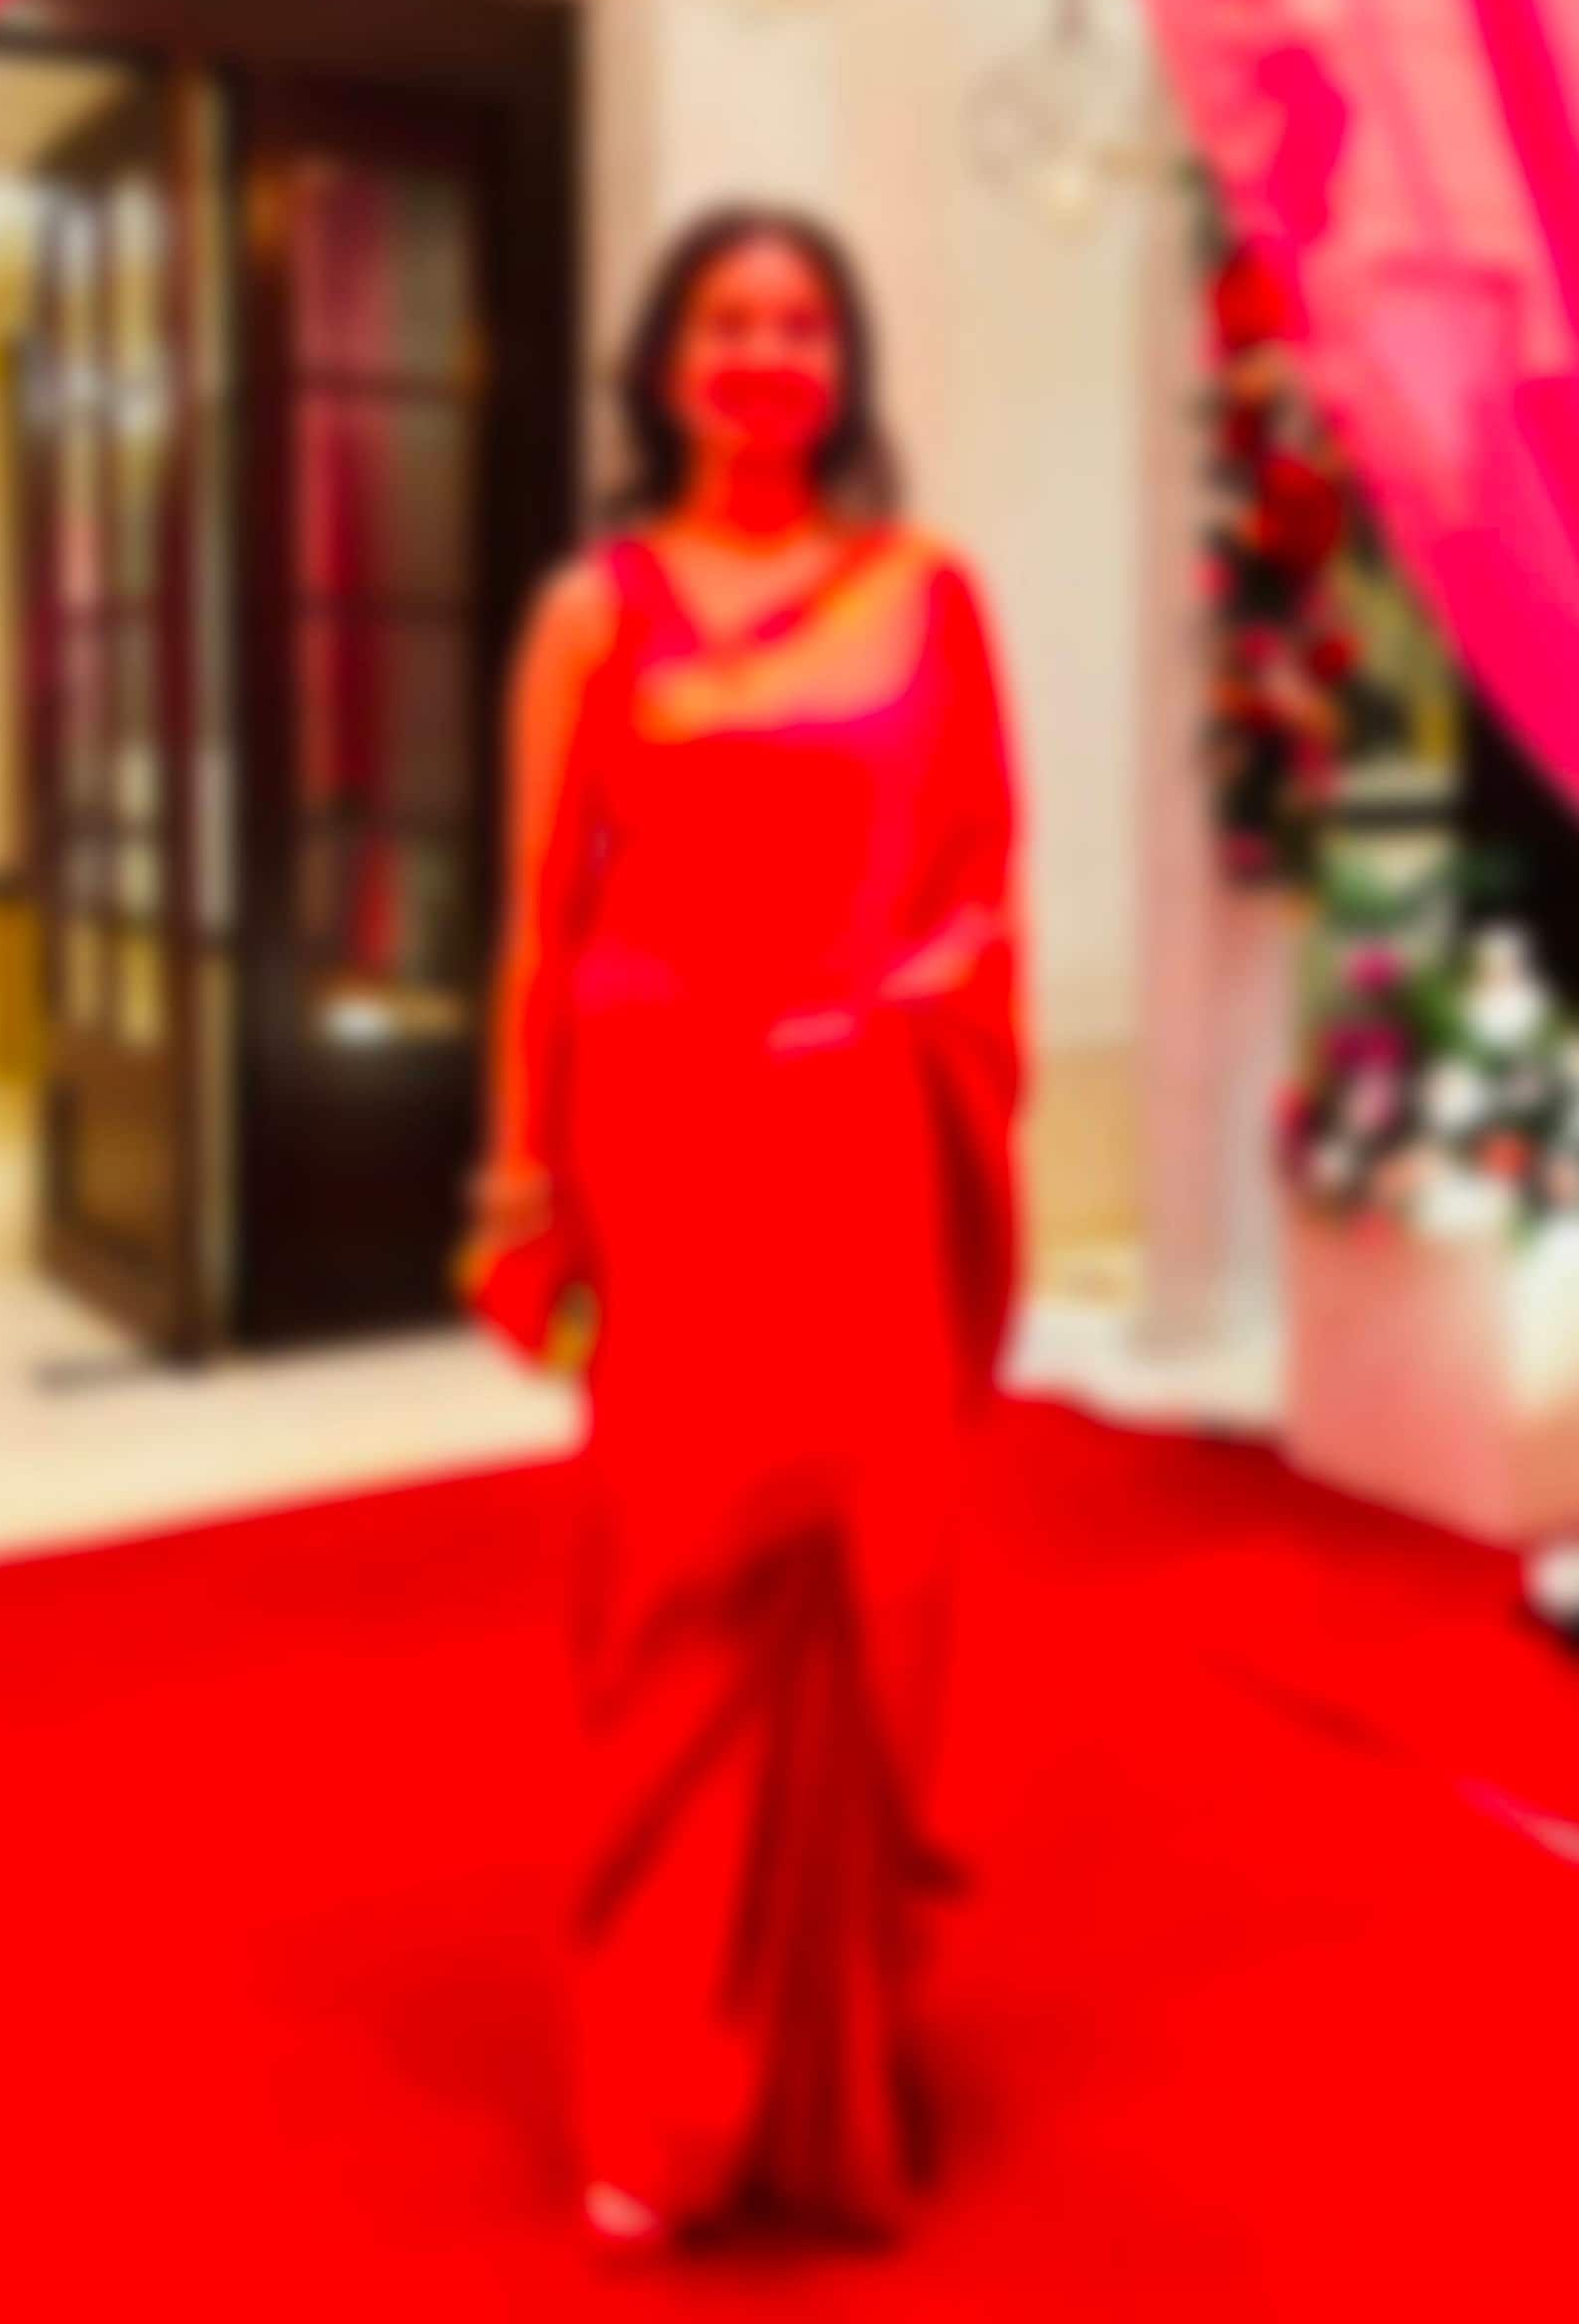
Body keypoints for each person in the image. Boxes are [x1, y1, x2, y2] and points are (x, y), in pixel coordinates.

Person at [465, 205, 1025, 2253]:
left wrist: (913, 999)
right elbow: (541, 910)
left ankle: (835, 2074)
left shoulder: (927, 592)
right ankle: (669, 2093)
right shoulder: (591, 611)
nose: (766, 355)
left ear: (843, 360)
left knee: (870, 1592)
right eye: (727, 321)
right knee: (680, 1603)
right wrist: (521, 1174)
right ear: (663, 361)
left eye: (801, 322)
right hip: (676, 1147)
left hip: (866, 1135)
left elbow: (983, 879)